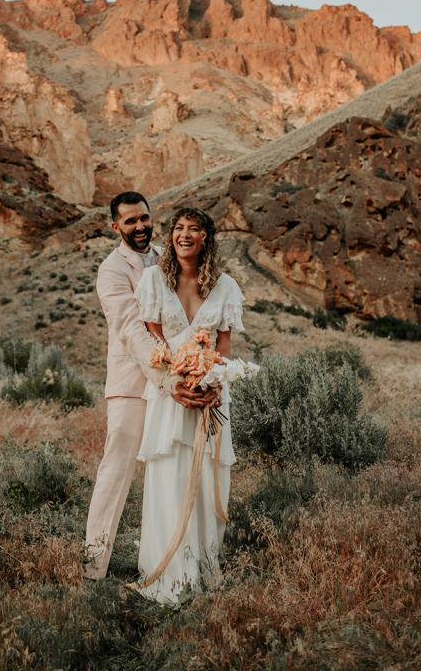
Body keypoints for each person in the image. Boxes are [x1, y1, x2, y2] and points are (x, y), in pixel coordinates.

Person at [84, 192, 213, 580]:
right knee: (116, 470)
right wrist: (166, 377)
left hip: (175, 380)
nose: (139, 227)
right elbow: (130, 327)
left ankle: (171, 558)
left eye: (144, 218)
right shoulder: (111, 271)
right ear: (115, 227)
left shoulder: (167, 256)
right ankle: (94, 566)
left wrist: (196, 365)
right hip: (133, 383)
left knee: (170, 468)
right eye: (130, 222)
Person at [134, 206, 244, 605]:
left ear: (205, 238)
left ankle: (203, 570)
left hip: (212, 396)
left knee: (206, 480)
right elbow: (155, 346)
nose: (184, 234)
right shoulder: (153, 281)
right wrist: (177, 382)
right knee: (171, 478)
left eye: (193, 229)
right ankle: (169, 574)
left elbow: (226, 350)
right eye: (178, 228)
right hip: (170, 395)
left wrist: (215, 383)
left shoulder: (226, 286)